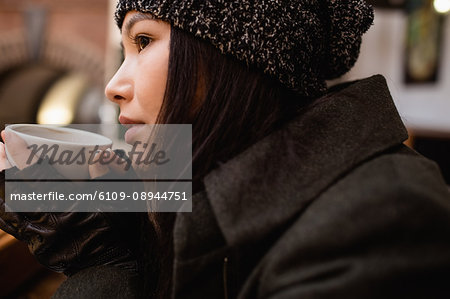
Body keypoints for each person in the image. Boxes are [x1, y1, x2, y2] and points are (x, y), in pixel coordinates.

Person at [1, 0, 450, 298]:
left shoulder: (380, 220)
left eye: (143, 41)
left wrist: (100, 263)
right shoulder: (202, 180)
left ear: (235, 52)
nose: (113, 85)